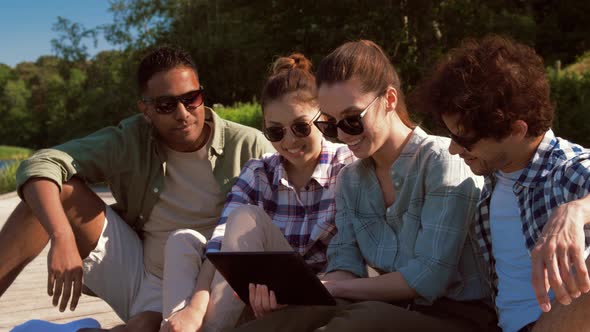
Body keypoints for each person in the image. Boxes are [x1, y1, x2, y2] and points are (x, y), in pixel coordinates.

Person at [0, 45, 274, 331]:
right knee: (55, 190)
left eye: (191, 98)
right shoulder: (130, 139)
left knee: (145, 325)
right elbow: (41, 164)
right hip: (142, 275)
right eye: (166, 105)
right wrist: (62, 235)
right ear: (146, 110)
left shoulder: (248, 145)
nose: (183, 113)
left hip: (213, 287)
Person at [234, 40, 496, 332]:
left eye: (352, 120)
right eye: (330, 125)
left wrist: (332, 288)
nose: (343, 135)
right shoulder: (351, 179)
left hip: (458, 316)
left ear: (390, 99)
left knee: (356, 322)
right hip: (388, 311)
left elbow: (428, 277)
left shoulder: (441, 161)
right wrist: (305, 291)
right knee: (279, 322)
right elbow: (345, 265)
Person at [158, 53, 355, 332]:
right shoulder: (260, 171)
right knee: (182, 241)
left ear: (323, 118)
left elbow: (350, 260)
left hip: (315, 301)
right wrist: (194, 309)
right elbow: (219, 246)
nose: (289, 141)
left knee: (246, 217)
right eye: (276, 132)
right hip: (249, 300)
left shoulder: (347, 167)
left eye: (301, 127)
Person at [413, 35, 590, 331]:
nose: (453, 149)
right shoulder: (494, 181)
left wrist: (577, 210)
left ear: (516, 130)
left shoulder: (564, 169)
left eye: (464, 139)